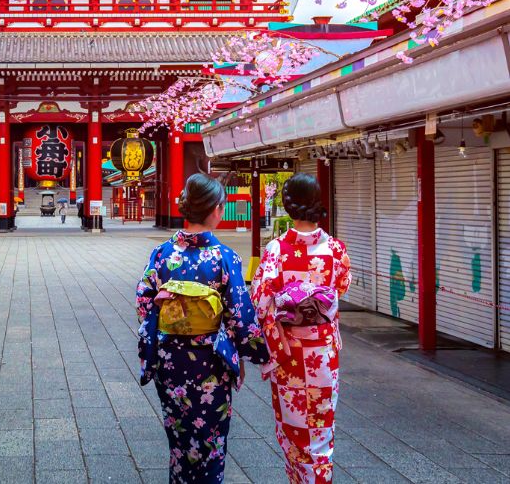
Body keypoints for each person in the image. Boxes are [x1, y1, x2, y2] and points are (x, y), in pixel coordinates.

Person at [135, 173, 269, 483]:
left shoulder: (163, 254)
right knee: (210, 443)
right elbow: (240, 314)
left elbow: (144, 302)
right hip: (210, 362)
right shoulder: (224, 258)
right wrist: (258, 354)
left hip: (170, 360)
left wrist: (164, 312)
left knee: (180, 440)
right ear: (215, 209)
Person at [250, 173, 351, 484]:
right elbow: (342, 288)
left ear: (287, 204)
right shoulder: (335, 249)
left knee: (294, 432)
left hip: (290, 353)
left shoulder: (276, 250)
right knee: (321, 430)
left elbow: (260, 299)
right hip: (323, 354)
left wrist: (286, 304)